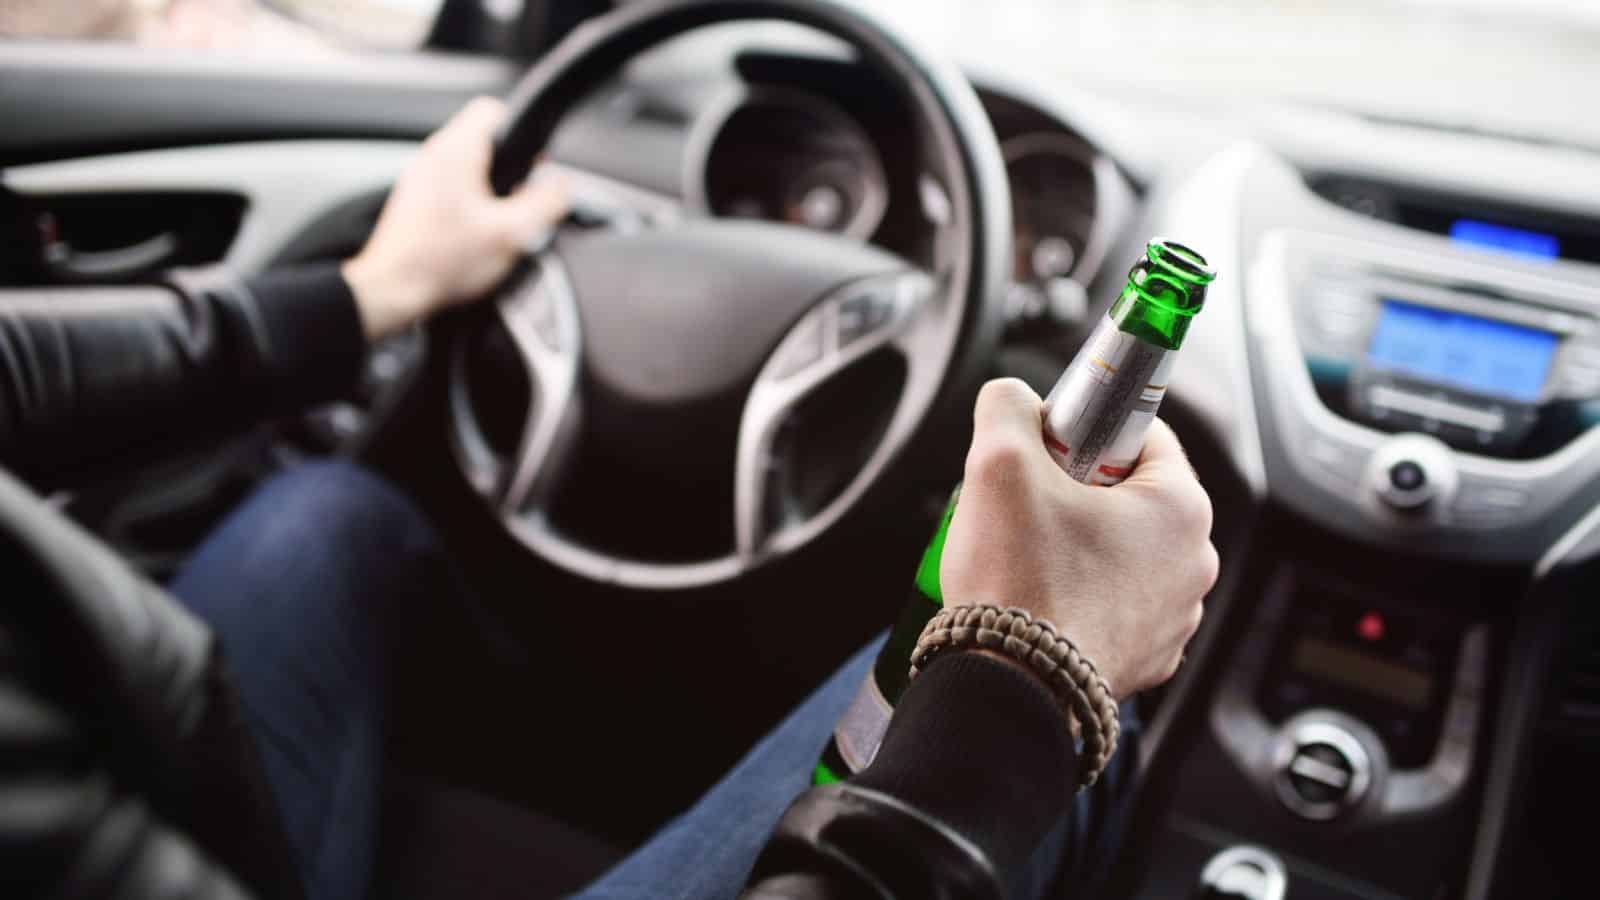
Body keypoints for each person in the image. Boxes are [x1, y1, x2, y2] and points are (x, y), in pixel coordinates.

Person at [0, 97, 1216, 900]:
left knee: (334, 510)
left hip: (128, 744)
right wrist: (1028, 679)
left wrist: (375, 290)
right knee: (1086, 733)